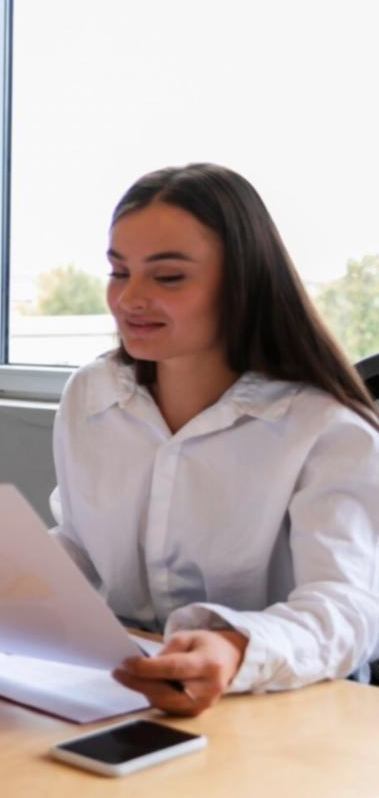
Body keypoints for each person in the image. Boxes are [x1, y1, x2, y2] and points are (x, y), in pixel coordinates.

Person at [50, 162, 379, 716]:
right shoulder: (91, 396)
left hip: (283, 712)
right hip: (127, 692)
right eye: (118, 272)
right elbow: (82, 545)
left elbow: (348, 609)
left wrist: (236, 649)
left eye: (168, 277)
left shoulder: (325, 429)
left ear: (243, 284)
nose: (130, 298)